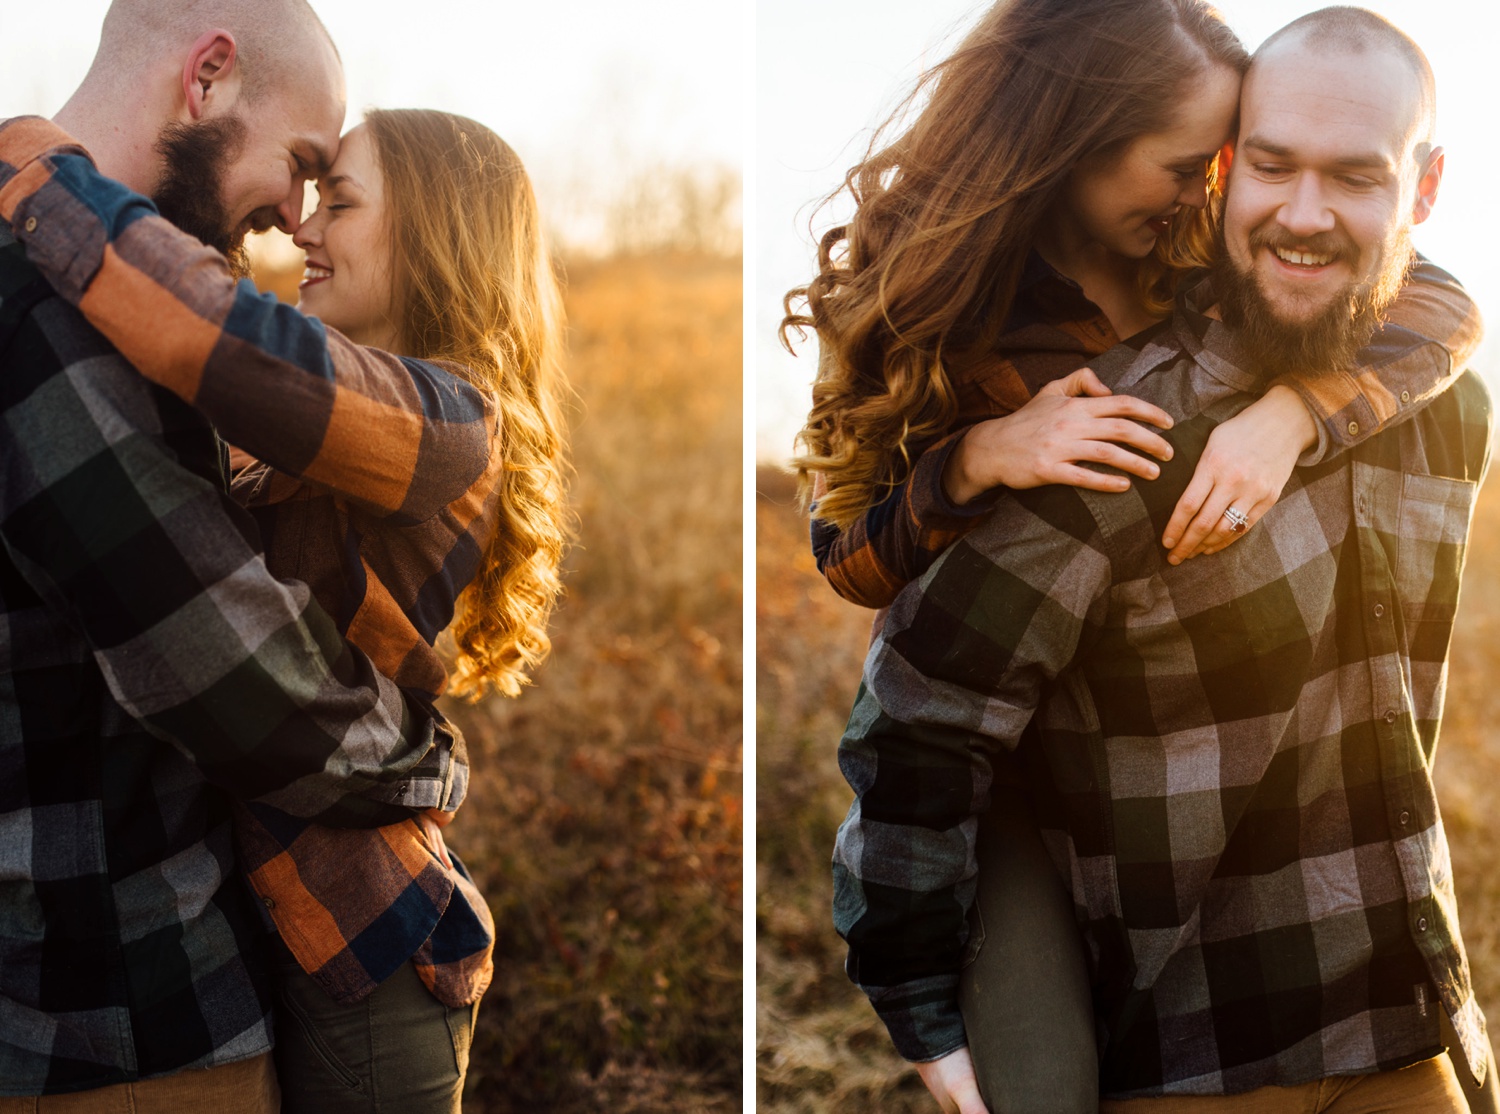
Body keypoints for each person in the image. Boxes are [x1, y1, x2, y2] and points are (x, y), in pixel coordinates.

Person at [784, 1, 1483, 1110]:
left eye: (1220, 162)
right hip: (1009, 762)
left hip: (1187, 751)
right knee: (1039, 1076)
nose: (1208, 191)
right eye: (1196, 164)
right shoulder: (973, 325)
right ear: (1072, 147)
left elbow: (1436, 300)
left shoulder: (1210, 264)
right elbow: (861, 579)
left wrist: (1296, 412)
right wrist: (970, 463)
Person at [0, 97, 568, 1111]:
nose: (298, 228)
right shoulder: (341, 420)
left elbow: (220, 335)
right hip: (276, 928)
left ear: (436, 233)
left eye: (337, 202)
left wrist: (40, 165)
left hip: (371, 944)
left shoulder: (448, 417)